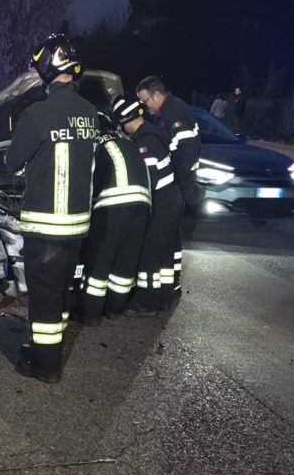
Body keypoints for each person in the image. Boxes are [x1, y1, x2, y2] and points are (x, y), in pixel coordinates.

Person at [5, 35, 98, 383]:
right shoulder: (90, 113)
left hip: (45, 230)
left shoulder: (38, 114)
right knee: (59, 295)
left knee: (43, 301)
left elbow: (13, 162)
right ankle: (46, 349)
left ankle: (45, 366)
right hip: (77, 229)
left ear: (46, 68)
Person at [76, 106, 151, 325]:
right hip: (142, 206)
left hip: (113, 204)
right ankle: (113, 310)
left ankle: (90, 315)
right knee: (124, 264)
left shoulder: (96, 143)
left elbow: (87, 178)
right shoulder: (127, 142)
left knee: (99, 261)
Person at [114, 94, 183, 316]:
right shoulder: (154, 133)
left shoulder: (144, 144)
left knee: (148, 254)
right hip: (171, 199)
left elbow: (147, 182)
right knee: (163, 254)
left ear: (127, 119)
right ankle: (163, 299)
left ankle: (146, 303)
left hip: (161, 203)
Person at [136, 75, 201, 304]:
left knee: (168, 236)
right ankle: (170, 285)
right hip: (177, 183)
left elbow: (186, 152)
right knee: (172, 236)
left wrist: (175, 188)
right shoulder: (167, 111)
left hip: (179, 183)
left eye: (146, 102)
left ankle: (168, 287)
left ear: (156, 94)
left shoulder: (174, 113)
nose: (147, 108)